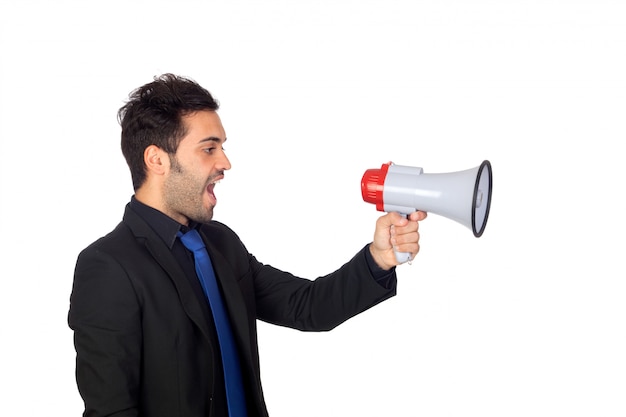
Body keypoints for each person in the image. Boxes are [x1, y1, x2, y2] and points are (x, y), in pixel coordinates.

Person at [68, 73, 427, 417]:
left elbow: (308, 306)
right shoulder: (108, 266)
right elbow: (111, 410)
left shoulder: (222, 243)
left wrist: (379, 258)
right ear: (157, 159)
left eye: (222, 148)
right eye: (209, 149)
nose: (225, 163)